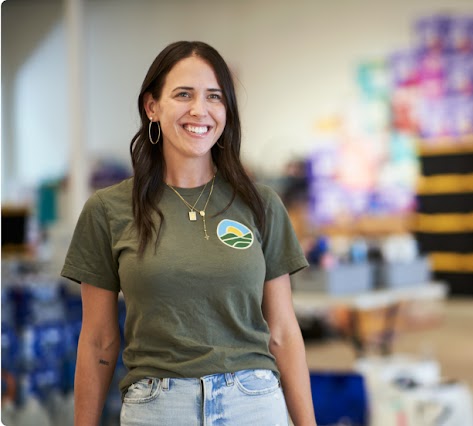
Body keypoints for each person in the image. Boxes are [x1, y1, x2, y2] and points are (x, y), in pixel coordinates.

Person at [61, 41, 316, 426]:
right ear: (152, 106)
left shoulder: (261, 204)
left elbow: (282, 330)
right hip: (159, 408)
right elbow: (98, 339)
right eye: (183, 94)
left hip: (254, 403)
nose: (200, 110)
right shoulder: (108, 210)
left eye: (214, 97)